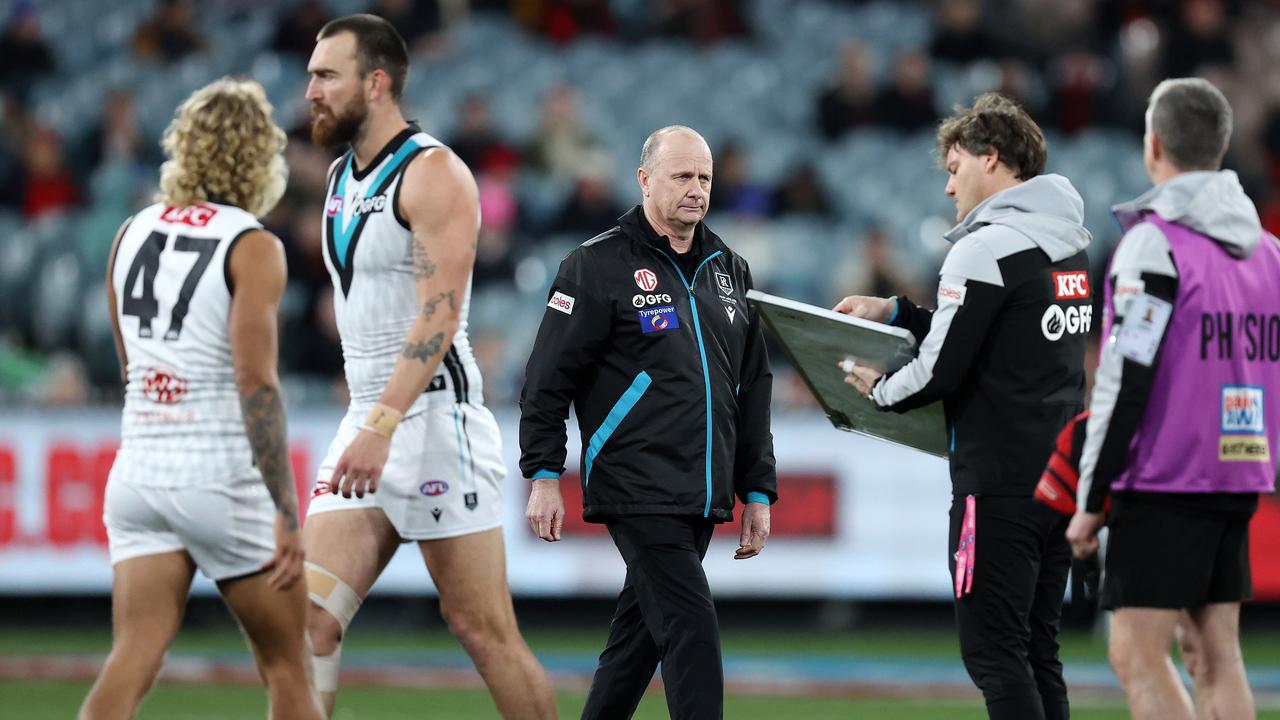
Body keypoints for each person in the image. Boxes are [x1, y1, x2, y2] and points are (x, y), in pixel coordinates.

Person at [300, 15, 555, 719]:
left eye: (326, 75)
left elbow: (440, 317)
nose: (310, 90)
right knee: (307, 622)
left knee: (483, 632)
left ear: (376, 83)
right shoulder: (337, 178)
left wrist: (381, 422)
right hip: (371, 415)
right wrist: (371, 418)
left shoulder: (435, 171)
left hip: (435, 418)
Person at [839, 93, 1091, 720]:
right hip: (1059, 477)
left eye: (955, 167)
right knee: (1038, 650)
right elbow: (991, 334)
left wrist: (877, 390)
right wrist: (895, 311)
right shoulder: (1070, 246)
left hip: (998, 484)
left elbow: (941, 370)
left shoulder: (984, 248)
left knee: (994, 653)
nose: (949, 186)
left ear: (994, 159)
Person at [81, 77, 322, 719]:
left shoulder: (130, 231)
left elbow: (133, 366)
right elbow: (256, 383)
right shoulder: (253, 244)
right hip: (219, 473)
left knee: (132, 657)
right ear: (258, 159)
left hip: (138, 471)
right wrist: (286, 508)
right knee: (288, 669)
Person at [520, 125, 778, 719]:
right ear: (644, 180)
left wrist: (757, 487)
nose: (696, 189)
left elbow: (752, 386)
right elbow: (546, 380)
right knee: (691, 625)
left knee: (635, 647)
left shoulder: (730, 269)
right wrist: (542, 472)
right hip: (636, 482)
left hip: (702, 484)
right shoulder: (594, 265)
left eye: (705, 178)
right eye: (682, 176)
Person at [1066, 77, 1280, 720]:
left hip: (1165, 476)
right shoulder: (1268, 254)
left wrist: (1089, 499)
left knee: (1135, 652)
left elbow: (1123, 378)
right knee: (1217, 652)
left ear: (1153, 145)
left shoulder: (1152, 246)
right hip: (1239, 467)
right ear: (1221, 144)